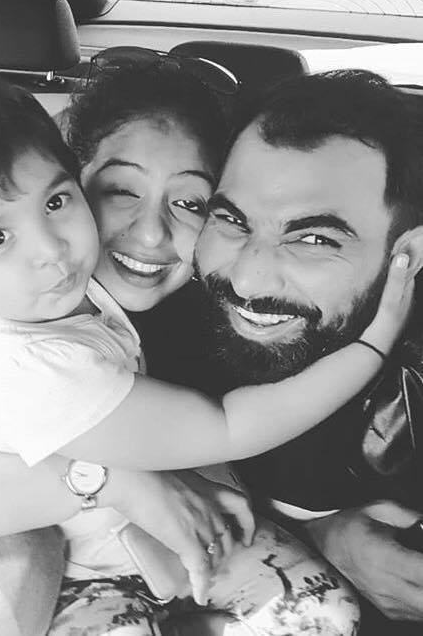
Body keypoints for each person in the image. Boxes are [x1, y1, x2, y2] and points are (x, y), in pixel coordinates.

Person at [0, 65, 414, 635]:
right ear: (81, 172)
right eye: (120, 190)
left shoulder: (213, 287)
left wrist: (330, 530)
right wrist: (109, 480)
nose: (150, 233)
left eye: (192, 203)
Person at [189, 69, 423, 632]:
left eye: (314, 239)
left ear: (409, 255)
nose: (247, 280)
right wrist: (324, 534)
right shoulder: (154, 312)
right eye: (232, 220)